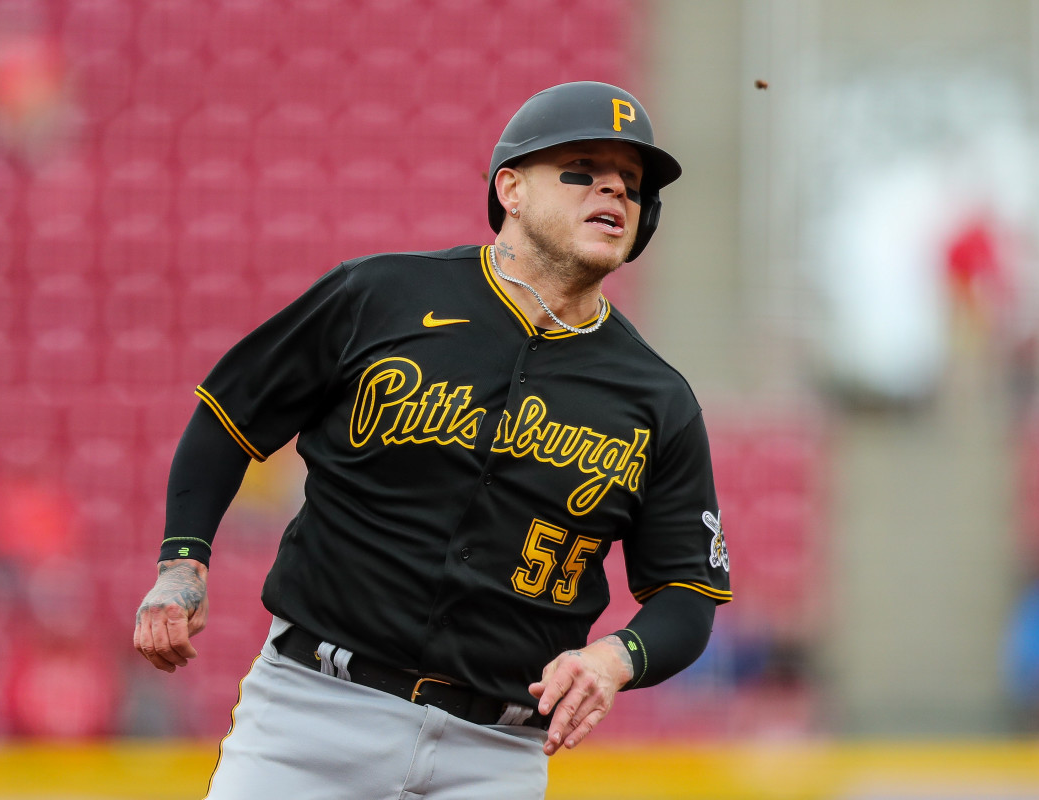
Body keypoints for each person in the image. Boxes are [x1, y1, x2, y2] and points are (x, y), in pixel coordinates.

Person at [134, 81, 731, 800]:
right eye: (581, 169)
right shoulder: (380, 296)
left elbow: (687, 595)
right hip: (312, 718)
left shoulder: (655, 397)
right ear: (509, 189)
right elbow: (226, 420)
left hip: (497, 753)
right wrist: (183, 562)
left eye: (632, 185)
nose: (614, 189)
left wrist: (616, 657)